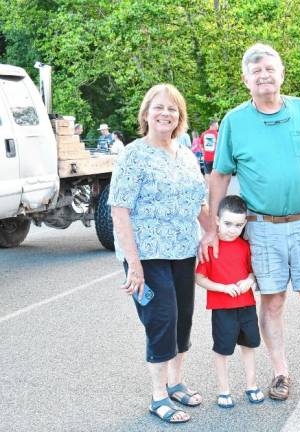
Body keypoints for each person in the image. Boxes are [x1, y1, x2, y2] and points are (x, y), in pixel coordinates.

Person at [201, 43, 300, 401]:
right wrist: (212, 228)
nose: (264, 76)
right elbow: (220, 175)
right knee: (271, 302)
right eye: (256, 72)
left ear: (281, 73)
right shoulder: (235, 122)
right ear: (246, 79)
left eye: (270, 69)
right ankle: (280, 373)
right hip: (262, 228)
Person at [109, 83, 210, 424]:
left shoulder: (185, 154)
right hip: (147, 254)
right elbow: (119, 209)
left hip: (183, 249)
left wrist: (211, 232)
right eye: (159, 107)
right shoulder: (133, 154)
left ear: (180, 117)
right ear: (146, 113)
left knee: (183, 319)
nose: (166, 113)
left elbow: (198, 200)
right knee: (161, 318)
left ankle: (176, 381)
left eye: (173, 109)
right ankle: (158, 396)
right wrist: (133, 264)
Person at [195, 195, 264, 408]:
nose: (232, 230)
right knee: (222, 350)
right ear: (216, 220)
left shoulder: (245, 246)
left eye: (238, 225)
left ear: (244, 224)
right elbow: (199, 278)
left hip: (247, 305)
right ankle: (223, 390)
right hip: (223, 309)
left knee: (249, 345)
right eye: (227, 224)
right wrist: (223, 288)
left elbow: (253, 272)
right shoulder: (209, 248)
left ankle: (251, 385)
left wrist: (249, 280)